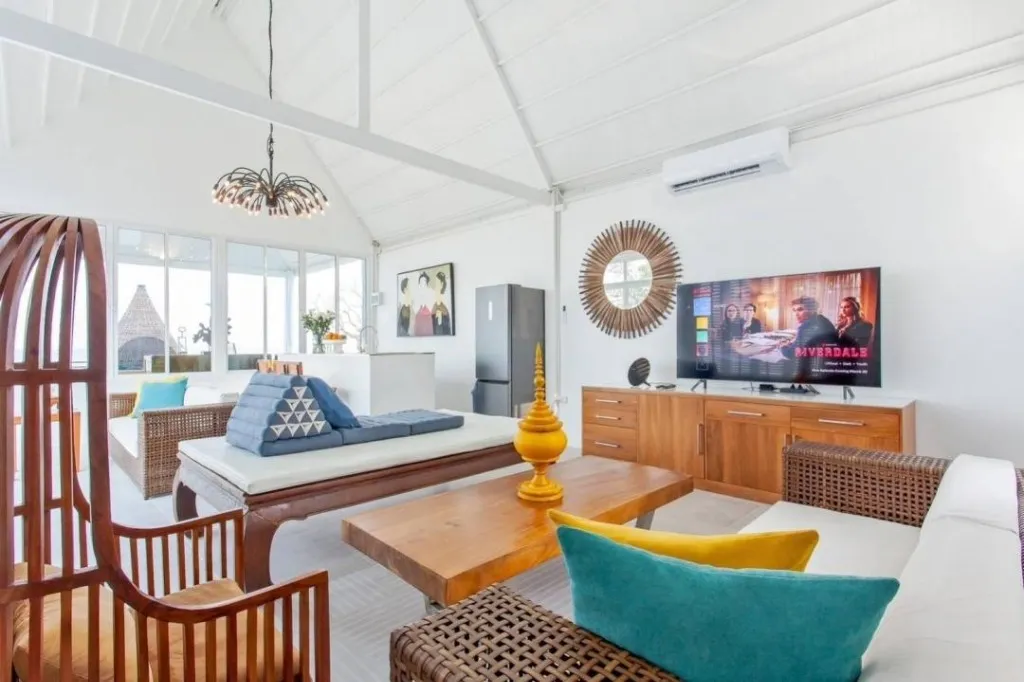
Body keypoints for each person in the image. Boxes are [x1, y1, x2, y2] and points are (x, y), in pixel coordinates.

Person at [413, 272, 434, 336]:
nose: (422, 286)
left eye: (424, 283)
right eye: (420, 283)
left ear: (427, 285)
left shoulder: (430, 308)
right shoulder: (416, 309)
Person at [431, 271, 452, 336]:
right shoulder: (435, 303)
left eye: (437, 283)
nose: (435, 287)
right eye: (435, 284)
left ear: (442, 284)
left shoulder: (445, 302)